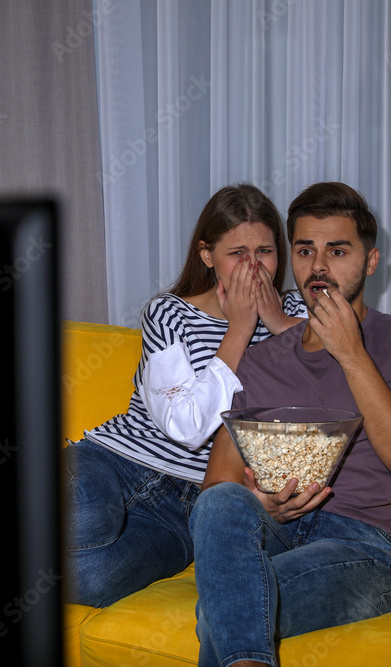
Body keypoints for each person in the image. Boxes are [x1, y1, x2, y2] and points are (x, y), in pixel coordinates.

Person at [190, 182, 391, 667]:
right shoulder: (260, 363)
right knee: (221, 509)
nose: (318, 266)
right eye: (304, 250)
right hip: (274, 537)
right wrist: (264, 505)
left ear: (371, 261)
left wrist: (352, 355)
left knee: (222, 609)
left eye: (337, 251)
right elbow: (216, 490)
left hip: (370, 546)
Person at [64, 183, 307, 608]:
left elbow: (326, 385)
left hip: (189, 506)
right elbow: (185, 426)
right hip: (116, 460)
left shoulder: (298, 317)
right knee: (86, 517)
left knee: (90, 580)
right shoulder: (168, 312)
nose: (253, 267)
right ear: (207, 255)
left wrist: (271, 318)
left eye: (265, 252)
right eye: (237, 253)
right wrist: (239, 330)